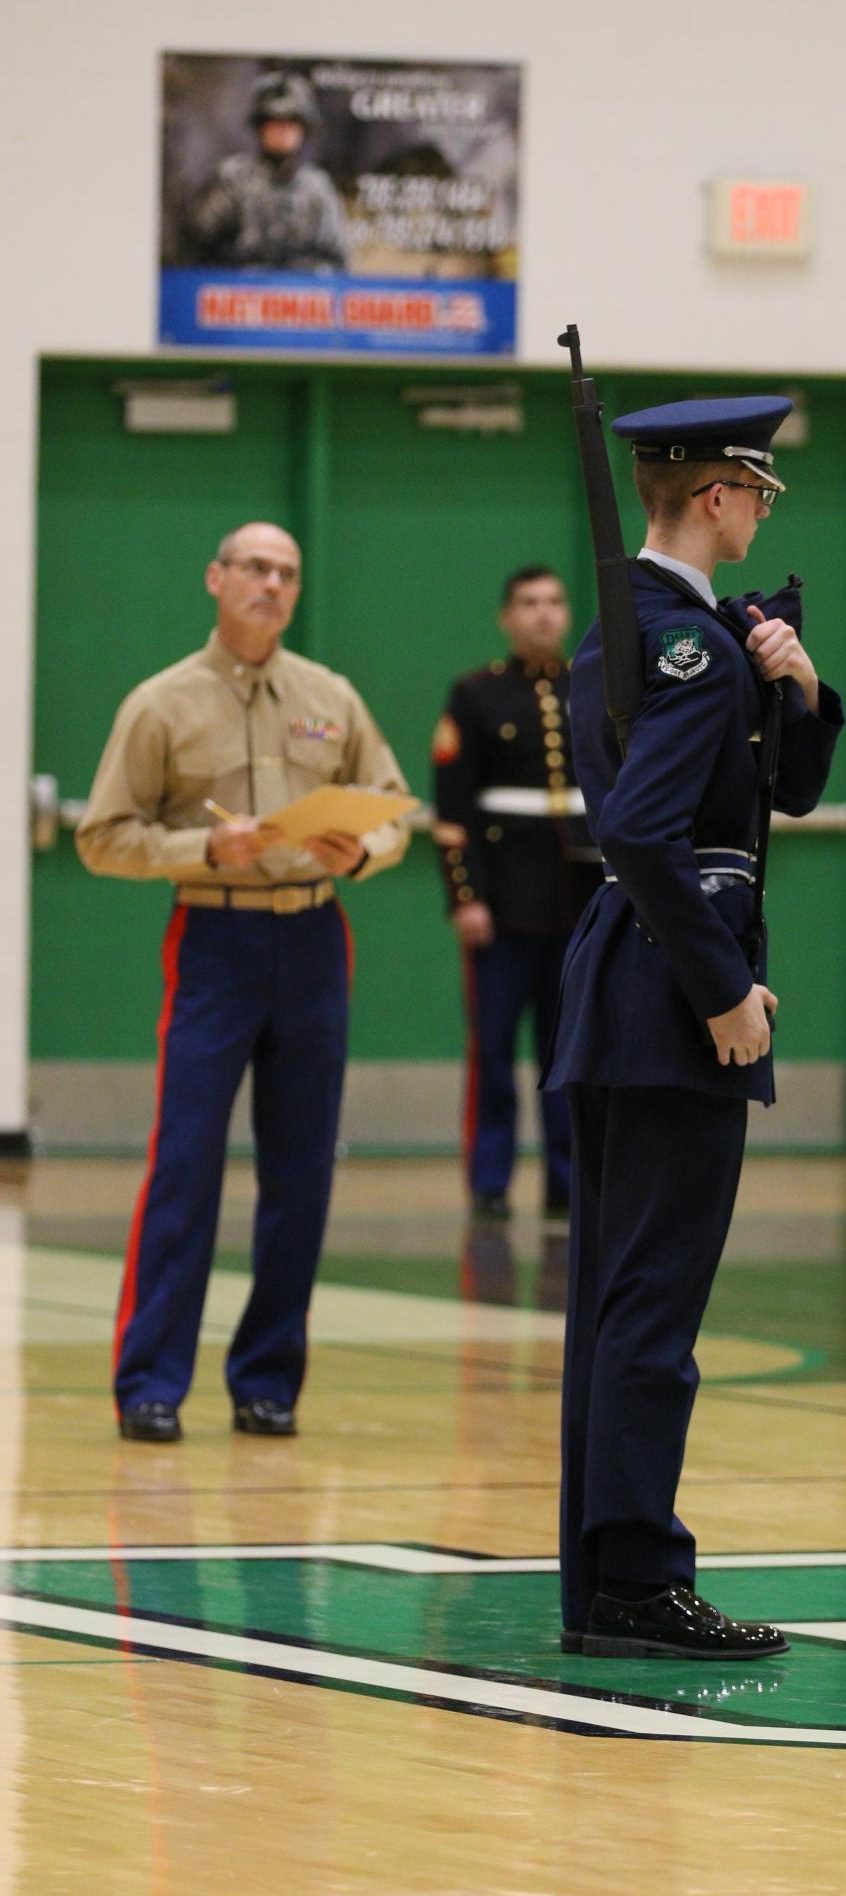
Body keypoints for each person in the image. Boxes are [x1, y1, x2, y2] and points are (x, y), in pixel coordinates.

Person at [544, 396, 846, 1659]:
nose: (758, 514)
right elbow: (644, 833)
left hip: (619, 974)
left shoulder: (657, 638)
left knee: (619, 1300)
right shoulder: (687, 647)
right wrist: (723, 991)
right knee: (655, 1303)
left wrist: (801, 687)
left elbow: (784, 784)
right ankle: (636, 1577)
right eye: (755, 493)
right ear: (716, 494)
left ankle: (607, 1573)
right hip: (675, 986)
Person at [77, 521, 409, 1443]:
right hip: (214, 941)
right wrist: (198, 845)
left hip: (313, 939)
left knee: (300, 1172)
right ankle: (150, 1382)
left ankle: (268, 1381)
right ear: (216, 578)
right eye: (256, 568)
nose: (272, 583)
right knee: (185, 1164)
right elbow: (102, 835)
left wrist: (366, 849)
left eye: (288, 572)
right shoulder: (160, 704)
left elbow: (393, 808)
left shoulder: (329, 696)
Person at [432, 567, 602, 1221]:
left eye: (554, 602)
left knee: (569, 1053)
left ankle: (567, 1181)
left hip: (577, 906)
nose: (543, 615)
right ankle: (490, 1181)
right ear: (507, 616)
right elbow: (452, 814)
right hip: (501, 906)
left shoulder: (590, 691)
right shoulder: (475, 696)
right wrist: (465, 896)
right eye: (529, 603)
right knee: (495, 1051)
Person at [186, 72, 348, 273]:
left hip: (299, 295)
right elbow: (197, 244)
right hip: (239, 292)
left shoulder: (318, 188)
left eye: (290, 122)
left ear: (304, 129)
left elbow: (336, 261)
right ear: (260, 127)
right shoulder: (233, 179)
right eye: (274, 122)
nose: (282, 130)